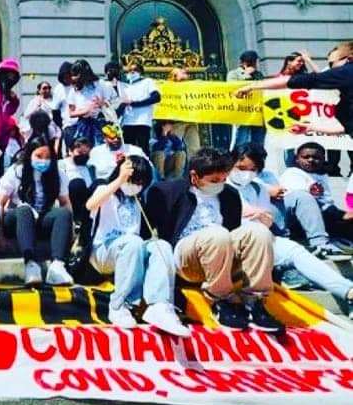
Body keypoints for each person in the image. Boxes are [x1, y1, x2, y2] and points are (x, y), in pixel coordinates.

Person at [146, 148, 283, 332]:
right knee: (217, 234)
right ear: (194, 176)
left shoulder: (230, 195)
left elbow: (234, 232)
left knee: (258, 232)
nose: (220, 184)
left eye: (223, 179)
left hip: (220, 255)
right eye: (213, 181)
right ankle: (221, 299)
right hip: (187, 259)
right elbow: (146, 231)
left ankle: (254, 300)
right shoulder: (167, 191)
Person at [228, 144, 353, 310]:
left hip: (263, 238)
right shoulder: (222, 185)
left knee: (294, 250)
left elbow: (268, 218)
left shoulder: (257, 188)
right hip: (235, 240)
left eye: (253, 170)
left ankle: (348, 291)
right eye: (241, 168)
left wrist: (267, 221)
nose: (246, 174)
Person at [86, 155, 190, 336]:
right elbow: (90, 204)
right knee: (132, 242)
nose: (135, 185)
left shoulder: (138, 200)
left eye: (140, 182)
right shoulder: (105, 189)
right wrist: (120, 180)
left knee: (162, 246)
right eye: (132, 180)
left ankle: (159, 305)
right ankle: (120, 304)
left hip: (130, 252)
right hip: (103, 252)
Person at [0, 135, 74, 287]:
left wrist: (71, 233)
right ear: (30, 155)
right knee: (24, 209)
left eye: (47, 157)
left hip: (41, 218)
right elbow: (0, 203)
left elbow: (65, 203)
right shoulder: (16, 171)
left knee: (63, 213)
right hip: (17, 219)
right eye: (39, 156)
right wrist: (0, 235)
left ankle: (57, 265)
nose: (43, 161)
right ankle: (30, 264)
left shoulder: (57, 174)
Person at [235, 41, 353, 137]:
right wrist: (310, 127)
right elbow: (347, 127)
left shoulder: (347, 71)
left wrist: (252, 86)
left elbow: (300, 81)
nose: (330, 69)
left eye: (332, 64)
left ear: (349, 59)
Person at [278, 142, 353, 242]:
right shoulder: (291, 173)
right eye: (306, 157)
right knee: (304, 197)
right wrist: (340, 215)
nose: (311, 160)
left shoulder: (321, 175)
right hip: (293, 220)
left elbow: (326, 204)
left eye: (316, 157)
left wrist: (343, 215)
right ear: (297, 159)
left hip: (318, 217)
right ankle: (319, 243)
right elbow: (307, 203)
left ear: (323, 159)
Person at [64, 59, 114, 147]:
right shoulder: (74, 90)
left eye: (77, 75)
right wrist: (86, 110)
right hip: (83, 124)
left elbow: (110, 104)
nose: (75, 78)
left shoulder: (101, 84)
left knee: (100, 148)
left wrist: (101, 104)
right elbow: (71, 113)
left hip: (100, 122)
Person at [226, 50, 267, 149]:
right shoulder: (233, 74)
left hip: (257, 112)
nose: (255, 64)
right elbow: (232, 89)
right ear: (244, 63)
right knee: (241, 140)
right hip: (242, 113)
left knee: (258, 141)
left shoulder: (258, 75)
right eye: (253, 62)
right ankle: (238, 160)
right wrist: (246, 75)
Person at [117, 62, 160, 156]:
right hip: (127, 122)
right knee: (128, 150)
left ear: (141, 72)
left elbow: (156, 97)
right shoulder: (124, 85)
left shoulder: (148, 82)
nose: (132, 73)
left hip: (142, 121)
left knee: (143, 149)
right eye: (129, 71)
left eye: (135, 70)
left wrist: (135, 103)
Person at [59, 136, 93, 226]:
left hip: (88, 203)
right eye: (80, 152)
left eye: (86, 153)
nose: (83, 155)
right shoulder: (61, 165)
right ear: (70, 151)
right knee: (77, 183)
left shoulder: (90, 168)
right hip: (69, 201)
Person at [167, 67, 201, 156]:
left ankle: (193, 168)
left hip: (191, 121)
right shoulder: (168, 89)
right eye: (181, 72)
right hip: (176, 122)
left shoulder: (192, 87)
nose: (185, 72)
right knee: (173, 149)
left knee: (194, 148)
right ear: (174, 76)